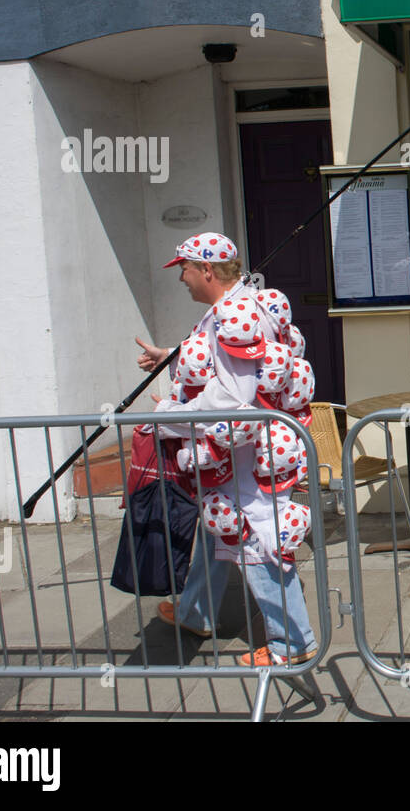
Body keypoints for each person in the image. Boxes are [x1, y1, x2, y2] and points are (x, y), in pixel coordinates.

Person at [135, 232, 317, 665]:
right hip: (250, 456)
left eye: (184, 268)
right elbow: (225, 366)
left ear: (207, 270)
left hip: (244, 460)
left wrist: (172, 417)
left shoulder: (229, 316)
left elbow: (234, 395)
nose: (181, 278)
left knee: (258, 542)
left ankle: (291, 644)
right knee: (221, 524)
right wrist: (171, 359)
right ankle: (197, 611)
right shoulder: (247, 306)